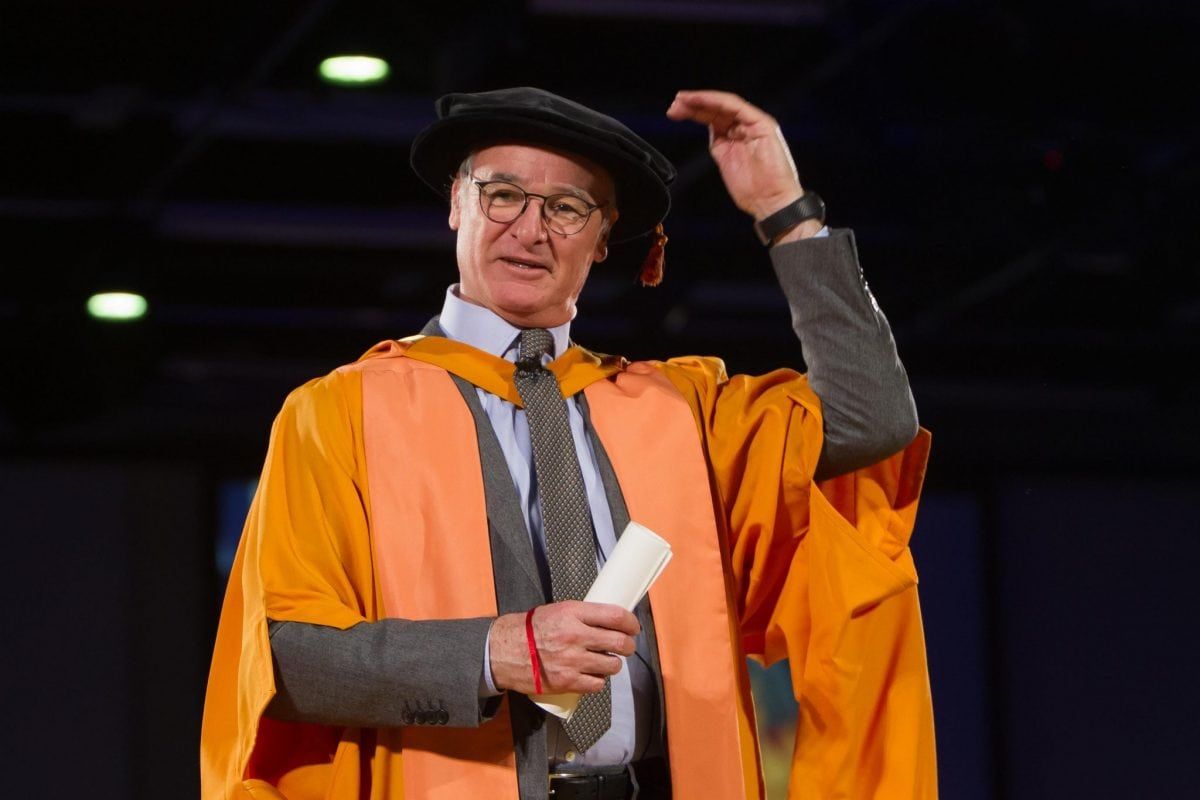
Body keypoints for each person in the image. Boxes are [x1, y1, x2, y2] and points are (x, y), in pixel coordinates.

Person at [201, 87, 937, 800]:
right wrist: (497, 653)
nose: (530, 229)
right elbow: (286, 659)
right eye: (502, 195)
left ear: (604, 236)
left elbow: (870, 419)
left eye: (566, 208)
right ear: (456, 202)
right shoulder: (341, 411)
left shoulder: (681, 410)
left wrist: (787, 214)